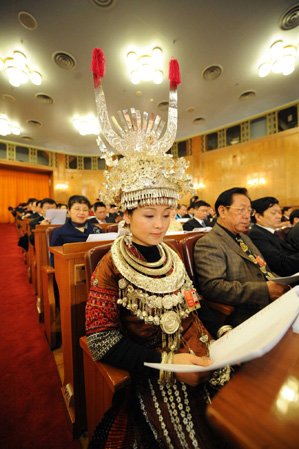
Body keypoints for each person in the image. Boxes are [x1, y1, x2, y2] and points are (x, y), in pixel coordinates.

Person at [85, 48, 231, 449]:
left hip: (200, 352)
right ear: (127, 214)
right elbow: (101, 341)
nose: (161, 225)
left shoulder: (170, 257)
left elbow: (192, 304)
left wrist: (224, 331)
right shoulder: (110, 266)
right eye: (150, 215)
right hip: (156, 372)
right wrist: (169, 367)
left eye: (168, 214)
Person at [194, 188, 287, 327]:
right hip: (246, 313)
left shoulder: (244, 237)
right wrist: (265, 290)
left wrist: (283, 284)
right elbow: (213, 287)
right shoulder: (209, 242)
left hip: (272, 305)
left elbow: (263, 269)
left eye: (249, 211)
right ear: (222, 211)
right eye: (241, 210)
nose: (247, 216)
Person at [248, 197, 299, 277]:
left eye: (279, 212)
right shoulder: (256, 234)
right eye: (274, 213)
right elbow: (281, 265)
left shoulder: (274, 232)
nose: (279, 216)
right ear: (258, 216)